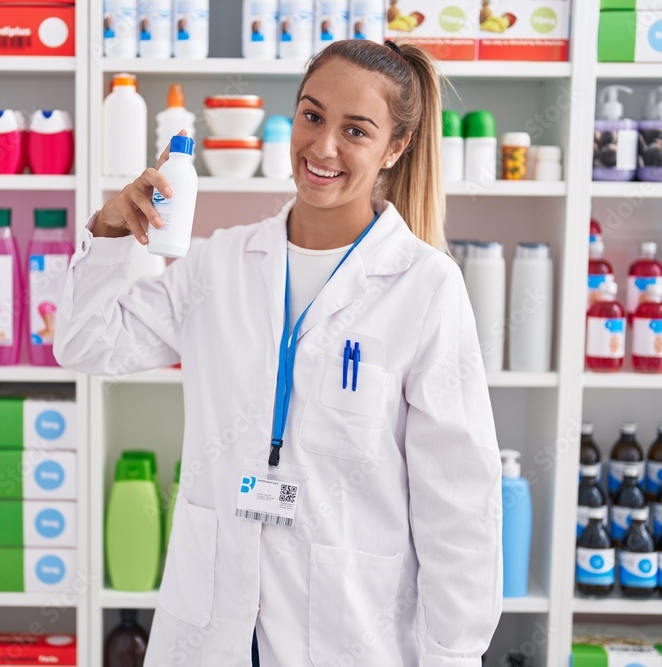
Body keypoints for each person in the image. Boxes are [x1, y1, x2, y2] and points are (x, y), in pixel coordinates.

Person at [55, 40, 501, 666]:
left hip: (350, 631)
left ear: (394, 148)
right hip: (213, 622)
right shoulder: (219, 263)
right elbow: (85, 343)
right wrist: (106, 234)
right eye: (312, 116)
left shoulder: (424, 287)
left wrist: (453, 656)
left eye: (356, 130)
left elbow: (458, 505)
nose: (323, 147)